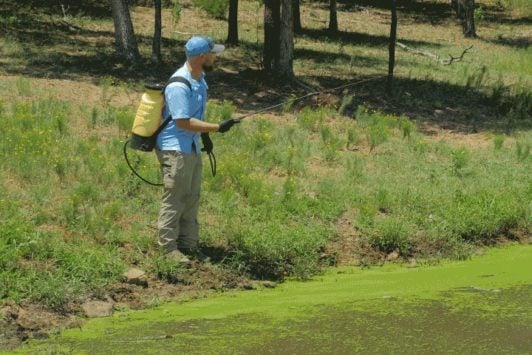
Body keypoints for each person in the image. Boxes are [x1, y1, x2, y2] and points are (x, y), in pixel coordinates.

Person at [156, 36, 239, 265]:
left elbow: (196, 116)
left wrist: (205, 137)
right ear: (203, 56)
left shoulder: (200, 80)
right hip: (175, 149)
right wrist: (217, 128)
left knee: (192, 197)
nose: (216, 57)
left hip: (191, 146)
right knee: (175, 197)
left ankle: (189, 246)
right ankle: (168, 249)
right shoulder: (178, 85)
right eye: (213, 54)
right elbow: (182, 121)